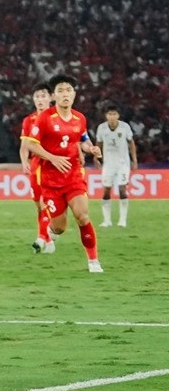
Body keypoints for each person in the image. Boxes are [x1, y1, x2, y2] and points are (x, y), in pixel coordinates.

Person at [23, 74, 104, 273]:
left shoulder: (79, 118)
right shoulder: (44, 118)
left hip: (73, 176)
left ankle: (93, 261)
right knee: (59, 227)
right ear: (54, 96)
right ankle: (50, 232)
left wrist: (91, 148)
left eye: (68, 90)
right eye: (60, 91)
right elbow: (31, 144)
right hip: (51, 181)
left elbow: (83, 139)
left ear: (74, 94)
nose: (65, 94)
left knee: (82, 216)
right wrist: (52, 158)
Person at [19, 82, 55, 254]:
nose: (40, 100)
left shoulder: (56, 117)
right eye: (37, 96)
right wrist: (24, 161)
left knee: (45, 202)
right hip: (35, 165)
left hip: (52, 164)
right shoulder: (29, 120)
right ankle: (48, 239)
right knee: (39, 205)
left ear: (50, 98)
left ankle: (41, 238)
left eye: (43, 96)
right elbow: (24, 145)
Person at [94, 105, 137, 227]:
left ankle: (122, 220)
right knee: (106, 190)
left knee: (122, 189)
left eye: (114, 114)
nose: (112, 117)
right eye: (110, 114)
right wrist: (96, 158)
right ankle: (106, 221)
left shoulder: (125, 127)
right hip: (108, 164)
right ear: (106, 116)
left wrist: (134, 159)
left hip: (123, 163)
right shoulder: (101, 128)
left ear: (118, 115)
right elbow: (98, 144)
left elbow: (131, 143)